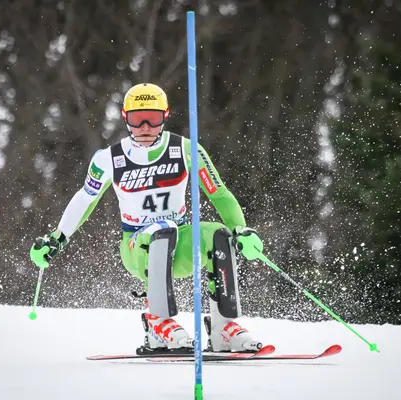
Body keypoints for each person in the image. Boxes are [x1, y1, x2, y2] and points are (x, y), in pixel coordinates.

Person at [30, 83, 264, 353]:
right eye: (136, 118)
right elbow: (85, 199)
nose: (144, 127)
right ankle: (158, 323)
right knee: (160, 230)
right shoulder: (109, 159)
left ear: (165, 116)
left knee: (218, 234)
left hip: (182, 244)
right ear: (125, 118)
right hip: (137, 246)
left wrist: (241, 230)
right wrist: (57, 239)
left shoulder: (186, 149)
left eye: (152, 118)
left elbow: (219, 193)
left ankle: (224, 328)